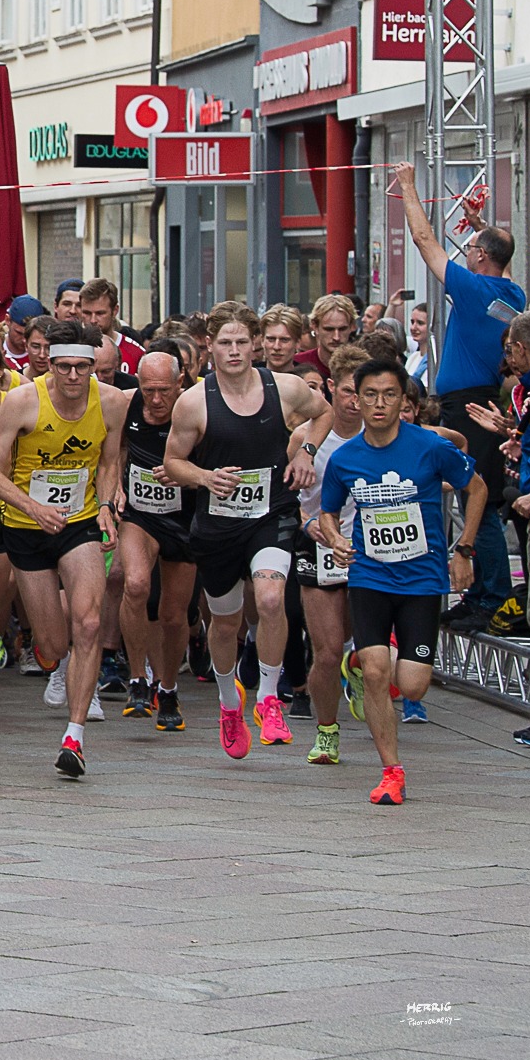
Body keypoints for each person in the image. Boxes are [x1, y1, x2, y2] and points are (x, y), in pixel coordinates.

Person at [163, 301, 328, 761]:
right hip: (218, 525)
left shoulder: (285, 387)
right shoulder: (194, 402)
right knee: (226, 621)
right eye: (225, 343)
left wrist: (306, 453)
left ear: (255, 344)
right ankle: (228, 703)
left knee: (271, 599)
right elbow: (172, 462)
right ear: (209, 346)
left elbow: (324, 413)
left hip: (270, 513)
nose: (234, 351)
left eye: (241, 342)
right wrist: (204, 477)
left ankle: (269, 697)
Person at [321, 358, 482, 805]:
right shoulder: (345, 458)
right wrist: (335, 538)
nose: (379, 404)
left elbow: (477, 488)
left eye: (389, 395)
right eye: (370, 395)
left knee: (412, 686)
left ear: (403, 401)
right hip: (369, 576)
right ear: (356, 400)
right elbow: (327, 512)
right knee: (377, 672)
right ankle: (391, 771)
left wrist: (464, 549)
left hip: (422, 580)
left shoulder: (429, 447)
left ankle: (358, 661)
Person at [0, 320, 129, 779]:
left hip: (79, 523)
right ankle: (50, 657)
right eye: (63, 367)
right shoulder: (22, 402)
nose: (72, 376)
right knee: (52, 643)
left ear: (94, 366)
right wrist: (33, 507)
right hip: (27, 527)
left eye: (82, 368)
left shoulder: (112, 402)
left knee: (89, 622)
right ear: (48, 363)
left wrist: (106, 506)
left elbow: (109, 462)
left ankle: (74, 736)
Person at [395, 164, 524, 636]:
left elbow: (424, 241)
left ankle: (491, 596)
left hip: (469, 405)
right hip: (475, 400)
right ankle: (483, 593)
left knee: (476, 501)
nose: (463, 251)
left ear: (481, 257)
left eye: (469, 247)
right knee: (475, 499)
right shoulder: (511, 291)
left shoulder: (474, 288)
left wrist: (409, 187)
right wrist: (479, 223)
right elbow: (500, 255)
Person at [292, 343, 369, 767]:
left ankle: (356, 664)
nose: (356, 402)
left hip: (368, 548)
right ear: (331, 389)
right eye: (348, 392)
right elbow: (283, 497)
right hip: (319, 544)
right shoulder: (305, 438)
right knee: (326, 651)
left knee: (365, 646)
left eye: (365, 393)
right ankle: (326, 731)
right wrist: (308, 524)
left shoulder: (383, 435)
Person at [114, 351, 196, 731]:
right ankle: (137, 680)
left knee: (174, 616)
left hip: (183, 520)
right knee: (135, 585)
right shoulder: (127, 404)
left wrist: (187, 475)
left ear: (180, 383)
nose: (157, 399)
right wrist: (114, 487)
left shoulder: (197, 408)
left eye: (164, 390)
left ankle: (169, 688)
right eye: (149, 391)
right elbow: (114, 450)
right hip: (140, 514)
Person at [77, 280, 145, 373]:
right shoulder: (69, 350)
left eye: (100, 313)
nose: (93, 320)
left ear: (115, 311)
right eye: (87, 313)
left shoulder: (135, 354)